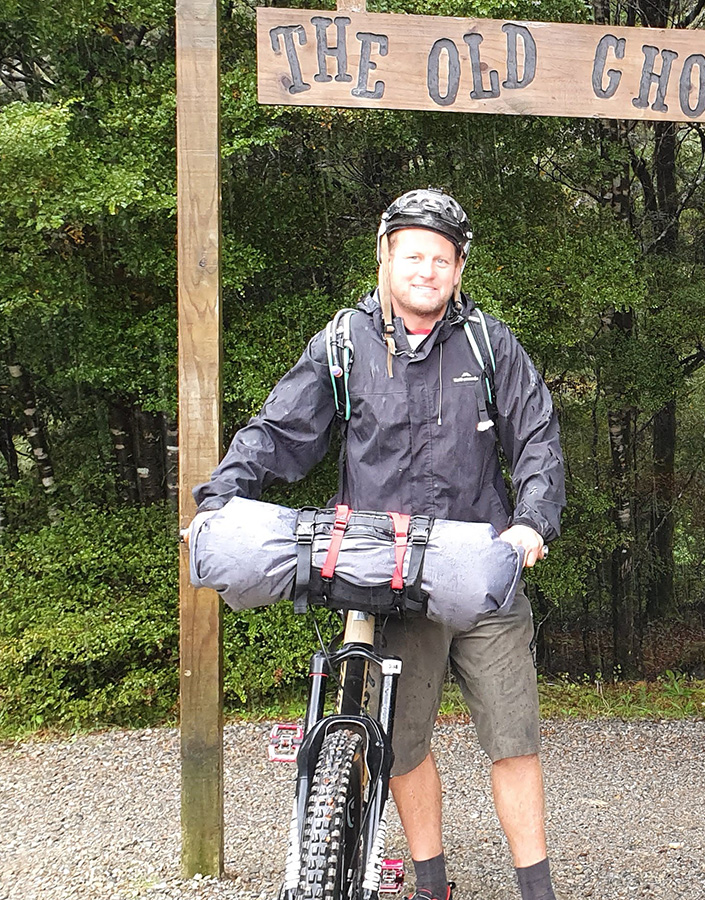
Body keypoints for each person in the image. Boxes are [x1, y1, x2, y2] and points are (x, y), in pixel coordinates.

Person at [193, 188, 566, 900]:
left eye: (442, 258)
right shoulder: (343, 342)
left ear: (459, 270)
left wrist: (531, 523)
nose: (427, 269)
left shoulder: (489, 344)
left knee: (514, 740)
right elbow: (280, 431)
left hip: (481, 565)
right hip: (385, 571)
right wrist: (221, 495)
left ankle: (537, 890)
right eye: (414, 254)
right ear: (386, 255)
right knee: (403, 743)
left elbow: (539, 437)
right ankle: (432, 884)